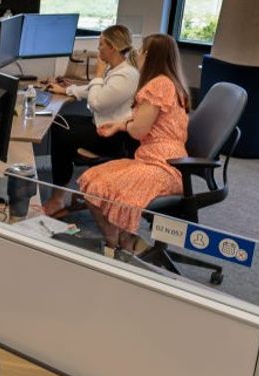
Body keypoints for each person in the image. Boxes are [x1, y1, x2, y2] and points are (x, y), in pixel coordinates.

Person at [77, 33, 191, 252]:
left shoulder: (158, 85)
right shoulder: (171, 82)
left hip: (162, 165)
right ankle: (122, 242)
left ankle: (116, 243)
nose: (136, 55)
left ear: (148, 56)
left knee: (97, 186)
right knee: (94, 179)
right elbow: (147, 120)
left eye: (140, 51)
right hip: (164, 159)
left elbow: (139, 130)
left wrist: (125, 126)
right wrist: (120, 125)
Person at [42, 25, 139, 218]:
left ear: (112, 47)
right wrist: (67, 91)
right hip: (106, 127)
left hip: (117, 138)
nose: (98, 49)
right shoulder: (119, 70)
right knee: (62, 122)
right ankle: (65, 191)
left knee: (61, 131)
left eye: (101, 45)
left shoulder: (126, 76)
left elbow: (97, 102)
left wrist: (98, 73)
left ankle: (58, 197)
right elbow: (96, 89)